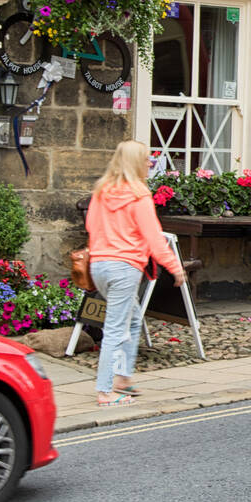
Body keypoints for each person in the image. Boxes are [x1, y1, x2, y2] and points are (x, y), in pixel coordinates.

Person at [86, 140, 186, 407]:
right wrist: (176, 268)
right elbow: (154, 238)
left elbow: (90, 227)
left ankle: (122, 379)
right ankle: (105, 392)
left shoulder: (101, 192)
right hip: (124, 268)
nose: (149, 164)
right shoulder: (139, 195)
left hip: (99, 266)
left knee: (131, 320)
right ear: (135, 162)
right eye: (147, 160)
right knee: (115, 330)